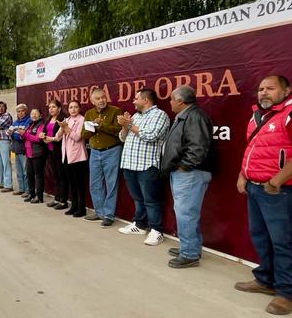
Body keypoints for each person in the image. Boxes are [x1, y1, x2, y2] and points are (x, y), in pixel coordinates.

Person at [235, 75, 292, 315]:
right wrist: (243, 175)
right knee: (261, 237)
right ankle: (265, 280)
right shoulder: (257, 116)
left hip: (278, 191)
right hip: (254, 186)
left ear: (286, 90)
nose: (264, 93)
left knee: (283, 242)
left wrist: (276, 180)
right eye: (260, 89)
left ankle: (286, 294)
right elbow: (253, 150)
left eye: (270, 88)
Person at [160, 85, 214, 269]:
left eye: (172, 99)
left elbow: (198, 146)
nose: (170, 102)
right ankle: (190, 246)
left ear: (181, 101)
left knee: (186, 214)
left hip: (190, 173)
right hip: (184, 172)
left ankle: (189, 254)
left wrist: (184, 166)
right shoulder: (186, 115)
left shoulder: (195, 116)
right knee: (187, 213)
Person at [115, 88, 170, 245]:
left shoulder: (159, 115)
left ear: (145, 100)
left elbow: (151, 135)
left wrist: (129, 124)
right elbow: (122, 138)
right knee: (138, 198)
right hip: (129, 164)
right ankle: (139, 225)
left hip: (147, 165)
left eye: (136, 98)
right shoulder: (136, 116)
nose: (133, 101)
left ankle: (156, 231)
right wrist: (125, 126)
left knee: (151, 200)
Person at [81, 88, 123, 227]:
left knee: (111, 184)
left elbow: (119, 132)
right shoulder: (89, 113)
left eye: (103, 97)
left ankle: (109, 215)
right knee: (95, 184)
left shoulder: (115, 111)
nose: (102, 100)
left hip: (112, 151)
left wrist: (102, 125)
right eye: (98, 98)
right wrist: (92, 127)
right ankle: (99, 212)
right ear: (92, 101)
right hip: (94, 152)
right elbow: (84, 135)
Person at [55, 100, 88, 217]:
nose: (73, 109)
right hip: (67, 157)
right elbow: (58, 137)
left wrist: (66, 128)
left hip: (78, 157)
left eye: (75, 107)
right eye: (70, 107)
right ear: (68, 109)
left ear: (79, 108)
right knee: (72, 184)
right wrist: (61, 127)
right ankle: (74, 206)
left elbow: (77, 137)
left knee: (79, 184)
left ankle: (81, 208)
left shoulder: (82, 120)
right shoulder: (66, 120)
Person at [41, 100, 70, 209]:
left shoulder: (62, 119)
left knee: (62, 176)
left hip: (60, 151)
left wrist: (50, 139)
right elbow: (45, 131)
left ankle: (63, 201)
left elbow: (60, 136)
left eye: (53, 107)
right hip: (50, 151)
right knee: (56, 176)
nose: (51, 109)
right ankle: (57, 198)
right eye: (49, 107)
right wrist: (42, 136)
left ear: (59, 108)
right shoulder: (48, 119)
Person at [21, 108, 49, 204]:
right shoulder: (30, 124)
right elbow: (26, 137)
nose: (33, 115)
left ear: (40, 115)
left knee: (38, 176)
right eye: (32, 114)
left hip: (38, 153)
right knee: (29, 175)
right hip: (29, 154)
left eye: (36, 114)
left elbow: (38, 139)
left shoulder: (41, 125)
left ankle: (39, 196)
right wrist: (22, 134)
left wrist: (25, 134)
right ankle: (31, 194)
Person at [9, 104, 30, 195]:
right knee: (19, 171)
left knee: (26, 172)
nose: (20, 113)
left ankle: (27, 190)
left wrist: (15, 133)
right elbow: (11, 134)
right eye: (18, 111)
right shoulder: (15, 122)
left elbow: (23, 136)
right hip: (16, 149)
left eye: (22, 111)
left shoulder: (28, 121)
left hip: (24, 150)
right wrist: (15, 133)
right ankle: (21, 189)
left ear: (25, 111)